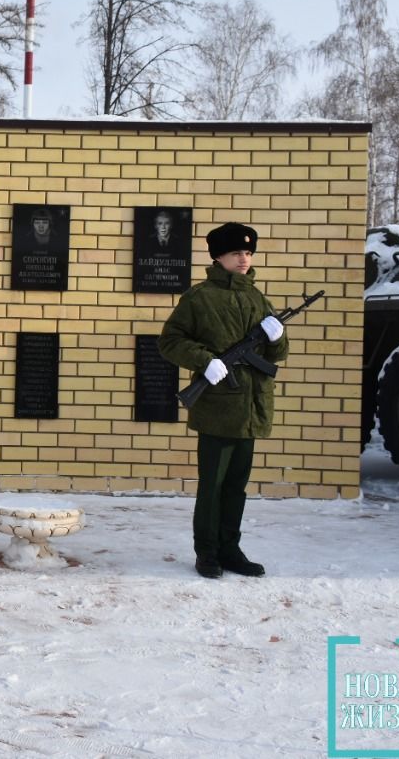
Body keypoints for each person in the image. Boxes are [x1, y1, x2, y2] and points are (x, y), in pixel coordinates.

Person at [158, 222, 288, 580]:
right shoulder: (199, 298)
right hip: (217, 407)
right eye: (236, 253)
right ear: (218, 256)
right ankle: (208, 553)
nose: (244, 259)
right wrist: (205, 361)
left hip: (250, 408)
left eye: (248, 253)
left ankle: (231, 549)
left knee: (236, 488)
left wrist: (277, 338)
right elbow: (169, 342)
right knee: (212, 487)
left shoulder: (258, 298)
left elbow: (276, 354)